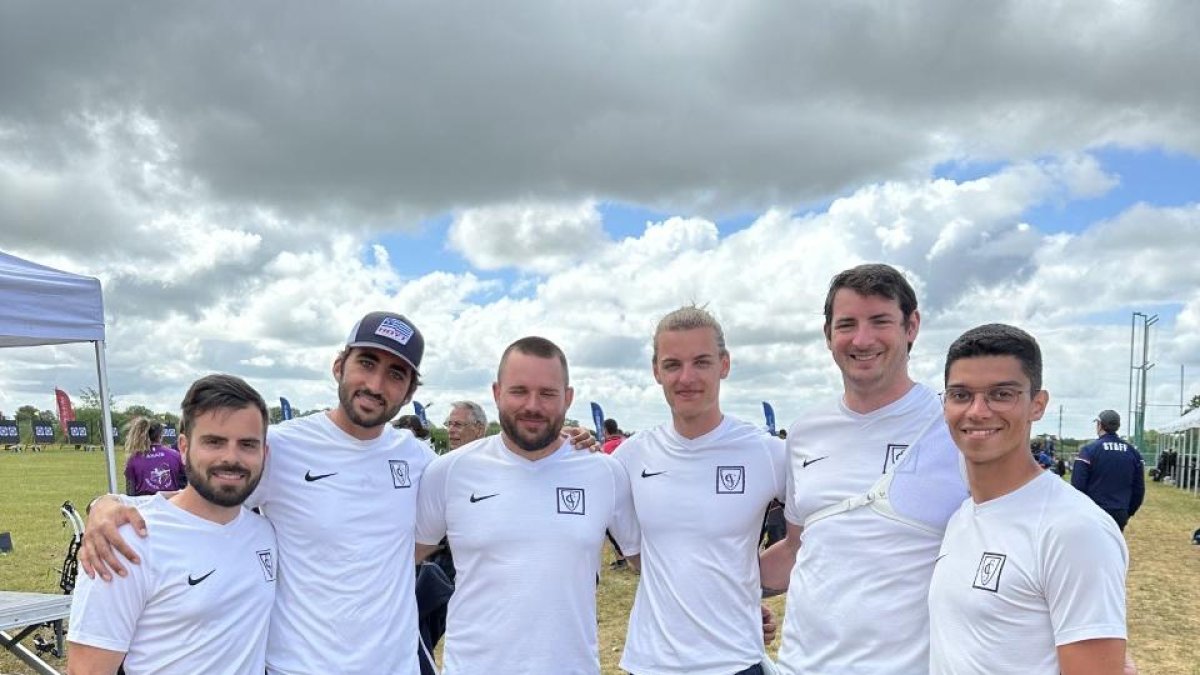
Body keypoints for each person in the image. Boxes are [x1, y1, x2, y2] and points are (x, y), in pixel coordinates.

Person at [82, 311, 437, 674]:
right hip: (297, 667)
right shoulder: (279, 446)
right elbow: (203, 498)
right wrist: (109, 504)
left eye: (396, 374)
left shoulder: (422, 462)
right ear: (339, 365)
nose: (376, 385)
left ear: (409, 392)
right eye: (366, 362)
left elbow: (422, 544)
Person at [760, 263, 969, 674]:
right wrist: (727, 595)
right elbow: (801, 548)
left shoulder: (954, 426)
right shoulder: (805, 432)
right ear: (827, 335)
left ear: (912, 326)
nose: (862, 339)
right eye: (847, 324)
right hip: (802, 665)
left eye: (880, 321)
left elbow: (1017, 545)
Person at [414, 336, 639, 675]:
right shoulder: (448, 472)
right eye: (519, 391)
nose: (532, 405)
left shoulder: (604, 472)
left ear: (568, 398)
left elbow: (652, 565)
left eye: (547, 393)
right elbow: (399, 562)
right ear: (496, 393)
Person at [929, 323, 1128, 674]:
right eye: (961, 395)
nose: (977, 411)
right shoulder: (963, 515)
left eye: (1001, 394)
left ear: (1037, 405)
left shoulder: (1074, 529)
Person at [612, 306, 786, 675]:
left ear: (724, 365)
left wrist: (747, 588)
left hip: (735, 661)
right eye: (673, 364)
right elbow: (640, 556)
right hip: (650, 663)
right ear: (656, 371)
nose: (686, 377)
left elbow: (814, 535)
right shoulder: (629, 456)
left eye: (701, 362)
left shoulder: (766, 452)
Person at [68, 374, 277, 674]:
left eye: (247, 445)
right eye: (214, 442)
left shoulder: (265, 533)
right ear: (183, 447)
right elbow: (86, 670)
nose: (231, 457)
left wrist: (105, 501)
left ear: (264, 453)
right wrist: (103, 504)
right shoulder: (125, 540)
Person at [1071, 410, 1146, 531]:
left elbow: (1077, 486)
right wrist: (1127, 512)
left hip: (1094, 513)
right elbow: (1139, 489)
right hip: (1120, 513)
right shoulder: (1133, 453)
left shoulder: (1089, 450)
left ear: (1100, 425)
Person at [123, 417, 185, 496]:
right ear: (160, 436)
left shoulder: (133, 460)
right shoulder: (176, 455)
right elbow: (185, 486)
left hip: (144, 507)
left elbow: (130, 494)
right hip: (171, 506)